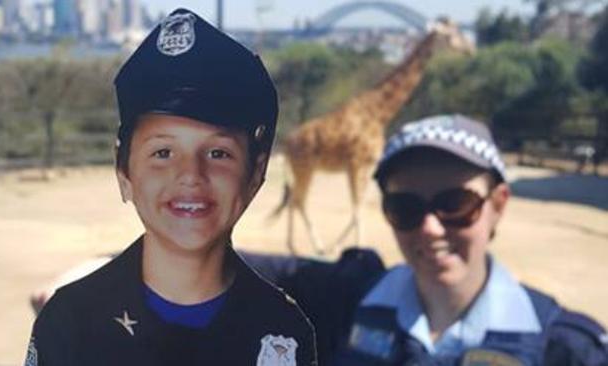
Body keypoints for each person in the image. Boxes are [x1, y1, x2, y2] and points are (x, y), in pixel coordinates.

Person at [24, 8, 317, 366]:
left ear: (255, 173)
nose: (190, 174)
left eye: (218, 152)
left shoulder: (283, 332)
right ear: (123, 171)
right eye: (162, 152)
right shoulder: (69, 322)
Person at [249, 115, 608, 365]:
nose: (430, 228)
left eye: (455, 204)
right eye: (405, 207)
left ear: (498, 205)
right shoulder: (345, 301)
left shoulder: (565, 350)